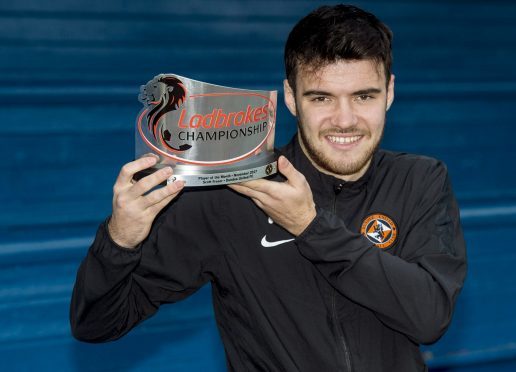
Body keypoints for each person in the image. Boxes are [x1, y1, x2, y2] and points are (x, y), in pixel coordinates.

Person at [70, 4, 467, 371]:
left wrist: (310, 227)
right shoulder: (232, 192)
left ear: (390, 93)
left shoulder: (419, 179)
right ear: (292, 98)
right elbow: (96, 324)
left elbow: (429, 317)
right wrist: (119, 242)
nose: (345, 120)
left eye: (364, 96)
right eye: (322, 97)